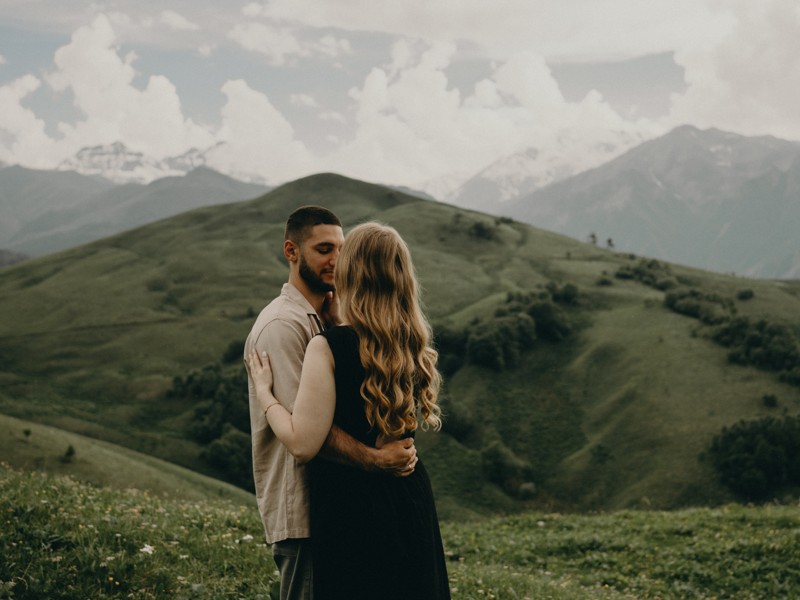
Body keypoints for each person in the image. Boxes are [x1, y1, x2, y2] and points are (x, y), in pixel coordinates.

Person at [248, 222, 451, 600]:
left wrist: (266, 395)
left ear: (350, 273)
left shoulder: (329, 346)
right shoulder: (411, 342)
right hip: (410, 499)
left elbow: (302, 444)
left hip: (353, 508)